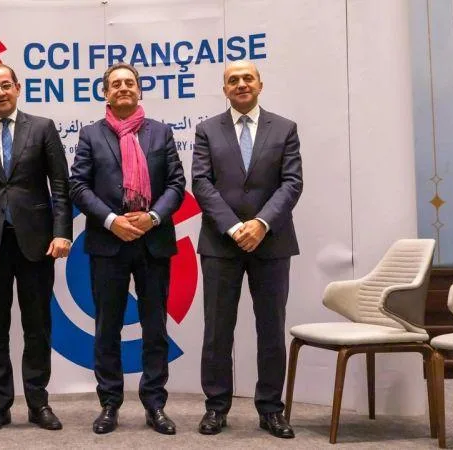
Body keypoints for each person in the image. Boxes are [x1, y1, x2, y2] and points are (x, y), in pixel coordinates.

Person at [0, 63, 72, 433]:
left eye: (6, 85)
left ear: (18, 88)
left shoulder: (42, 128)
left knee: (38, 326)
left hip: (37, 243)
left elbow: (61, 186)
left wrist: (62, 232)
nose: (0, 92)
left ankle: (38, 403)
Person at [70, 62, 186, 435]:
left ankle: (155, 404)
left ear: (139, 90)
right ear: (105, 93)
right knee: (107, 329)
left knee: (155, 328)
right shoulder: (90, 135)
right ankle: (109, 404)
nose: (122, 88)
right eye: (115, 84)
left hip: (153, 241)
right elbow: (79, 187)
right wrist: (112, 221)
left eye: (129, 83)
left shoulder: (161, 134)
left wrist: (152, 217)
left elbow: (176, 184)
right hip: (108, 243)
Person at [191, 60, 303, 438]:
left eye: (247, 78)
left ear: (260, 84)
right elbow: (201, 184)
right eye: (232, 80)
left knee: (271, 329)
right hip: (221, 244)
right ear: (224, 89)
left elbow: (291, 183)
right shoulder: (207, 129)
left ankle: (271, 409)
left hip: (271, 242)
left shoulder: (285, 128)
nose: (241, 84)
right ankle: (216, 407)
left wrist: (261, 224)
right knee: (217, 330)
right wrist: (236, 227)